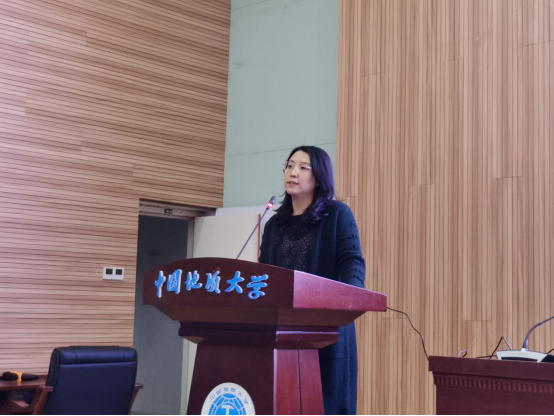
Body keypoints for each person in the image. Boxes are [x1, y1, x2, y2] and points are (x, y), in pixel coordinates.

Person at [259, 146, 366, 416]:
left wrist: (351, 299)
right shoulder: (274, 225)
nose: (293, 172)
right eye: (289, 165)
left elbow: (352, 261)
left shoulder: (337, 215)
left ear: (318, 177)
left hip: (325, 331)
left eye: (303, 167)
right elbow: (264, 276)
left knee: (324, 404)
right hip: (282, 335)